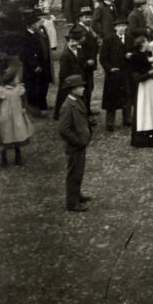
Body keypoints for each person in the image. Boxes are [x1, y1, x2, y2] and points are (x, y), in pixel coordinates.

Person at [57, 74, 92, 212]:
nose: (83, 88)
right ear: (73, 89)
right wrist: (77, 141)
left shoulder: (76, 101)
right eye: (80, 87)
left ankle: (77, 194)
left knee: (79, 171)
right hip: (74, 146)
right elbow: (63, 129)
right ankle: (72, 203)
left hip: (80, 144)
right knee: (73, 173)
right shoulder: (68, 106)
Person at [0, 67, 33, 167]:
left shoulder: (19, 89)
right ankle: (4, 158)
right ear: (11, 81)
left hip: (15, 116)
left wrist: (23, 107)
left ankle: (17, 156)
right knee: (6, 135)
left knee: (15, 134)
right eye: (16, 78)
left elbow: (23, 98)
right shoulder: (2, 91)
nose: (17, 80)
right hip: (6, 117)